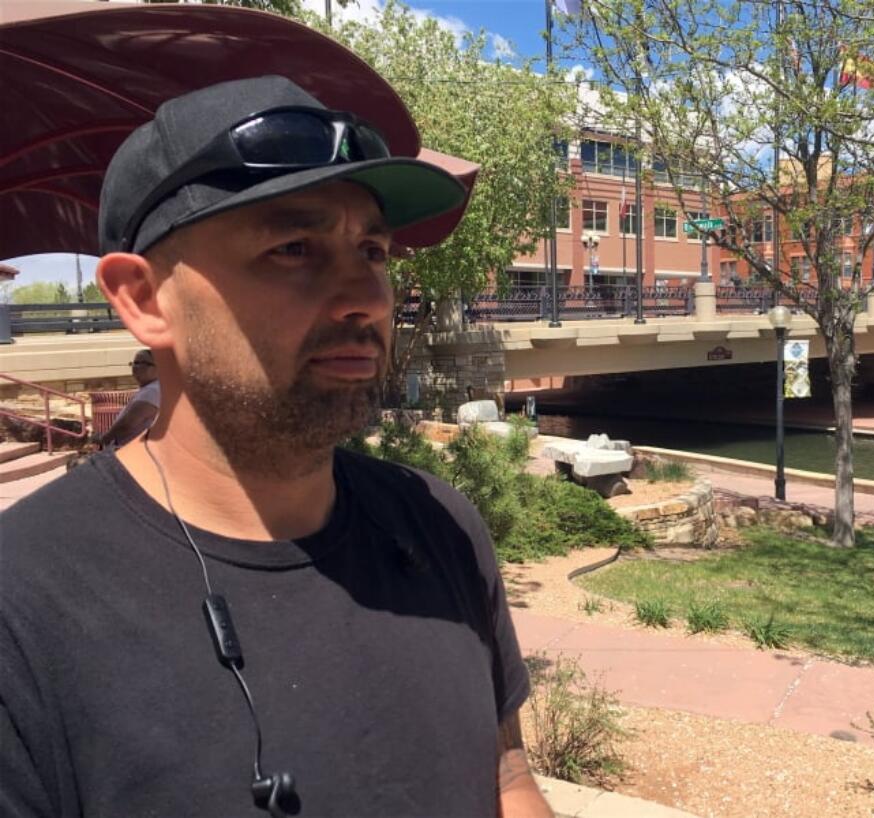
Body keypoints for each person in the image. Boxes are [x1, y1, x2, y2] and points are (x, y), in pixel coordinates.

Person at [0, 77, 551, 818]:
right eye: (294, 248)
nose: (367, 296)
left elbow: (507, 781)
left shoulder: (440, 523)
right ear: (142, 298)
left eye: (374, 250)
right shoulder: (24, 603)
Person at [94, 347, 160, 447]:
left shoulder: (152, 391)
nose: (136, 367)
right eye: (135, 363)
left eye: (143, 363)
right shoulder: (150, 389)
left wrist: (104, 439)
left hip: (135, 452)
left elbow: (128, 424)